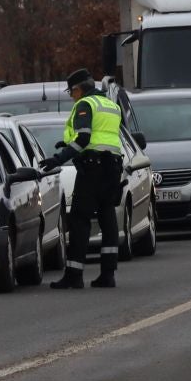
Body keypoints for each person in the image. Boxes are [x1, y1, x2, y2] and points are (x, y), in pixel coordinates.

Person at [42, 68, 124, 290]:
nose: (71, 97)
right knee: (108, 217)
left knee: (79, 219)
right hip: (112, 167)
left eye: (71, 92)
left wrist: (58, 159)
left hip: (92, 168)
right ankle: (108, 274)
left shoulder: (85, 105)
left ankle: (74, 275)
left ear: (78, 89)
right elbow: (105, 136)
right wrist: (69, 147)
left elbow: (85, 138)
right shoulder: (110, 105)